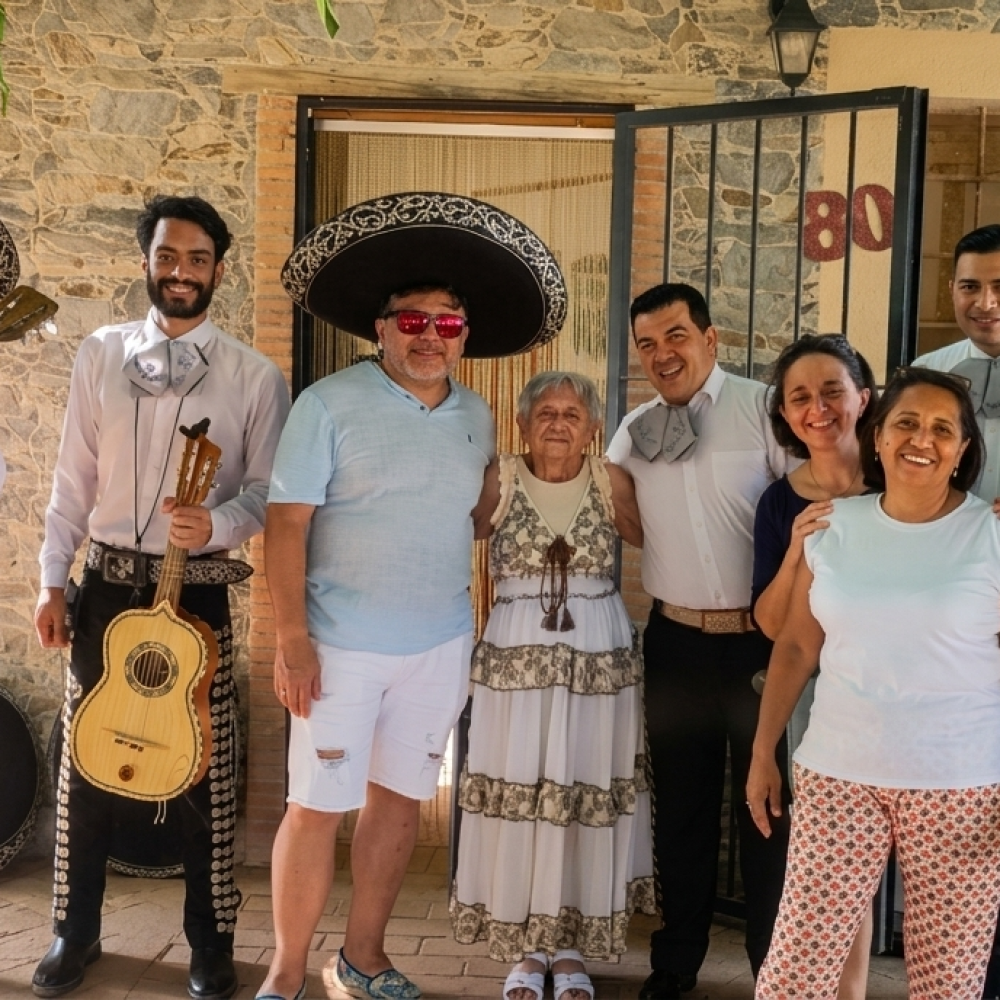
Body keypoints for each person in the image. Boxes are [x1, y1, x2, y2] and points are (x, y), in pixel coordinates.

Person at [256, 191, 567, 1000]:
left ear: (465, 335)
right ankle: (285, 972)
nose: (431, 335)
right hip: (338, 645)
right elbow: (285, 527)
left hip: (438, 642)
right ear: (382, 327)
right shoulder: (327, 404)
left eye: (448, 323)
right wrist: (291, 640)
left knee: (398, 804)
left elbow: (470, 520)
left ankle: (363, 957)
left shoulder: (477, 415)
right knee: (315, 804)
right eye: (414, 320)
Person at [32, 195, 291, 1000]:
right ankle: (73, 931)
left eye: (198, 259)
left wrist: (216, 523)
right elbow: (72, 480)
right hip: (105, 589)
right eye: (168, 256)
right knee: (86, 767)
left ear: (220, 269)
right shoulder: (99, 354)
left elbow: (268, 494)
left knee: (203, 773)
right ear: (146, 261)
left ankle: (210, 943)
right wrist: (50, 580)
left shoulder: (255, 376)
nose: (182, 272)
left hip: (198, 598)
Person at [748, 366, 1000, 999]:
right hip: (839, 776)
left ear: (963, 450)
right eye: (907, 423)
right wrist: (763, 751)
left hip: (961, 785)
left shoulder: (992, 534)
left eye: (943, 429)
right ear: (879, 435)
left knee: (949, 983)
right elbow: (796, 645)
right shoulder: (832, 525)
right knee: (796, 973)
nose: (923, 439)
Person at [606, 283, 795, 999]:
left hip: (759, 645)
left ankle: (773, 969)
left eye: (676, 335)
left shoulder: (763, 409)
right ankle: (675, 962)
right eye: (647, 344)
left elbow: (805, 511)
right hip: (676, 642)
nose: (662, 354)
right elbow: (624, 511)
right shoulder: (634, 430)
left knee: (765, 810)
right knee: (681, 810)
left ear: (711, 339)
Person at [451, 371, 656, 1000]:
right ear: (522, 424)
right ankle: (526, 949)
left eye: (572, 413)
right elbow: (446, 530)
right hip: (517, 654)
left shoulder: (612, 479)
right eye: (545, 413)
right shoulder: (500, 477)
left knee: (582, 787)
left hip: (597, 657)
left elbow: (657, 536)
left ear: (593, 427)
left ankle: (570, 950)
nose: (559, 424)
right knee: (522, 789)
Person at [750, 335, 877, 1000]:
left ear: (864, 397)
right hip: (816, 702)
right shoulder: (780, 502)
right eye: (800, 396)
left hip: (896, 694)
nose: (818, 408)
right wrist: (798, 551)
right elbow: (777, 628)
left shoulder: (902, 481)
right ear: (785, 413)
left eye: (832, 391)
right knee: (837, 871)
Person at [912, 223, 1000, 999]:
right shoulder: (928, 381)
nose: (986, 302)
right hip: (948, 640)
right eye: (971, 285)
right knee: (963, 830)